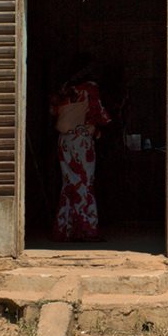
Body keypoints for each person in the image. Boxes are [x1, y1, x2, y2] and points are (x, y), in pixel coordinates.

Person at [49, 59, 111, 242]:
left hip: (64, 140)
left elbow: (53, 112)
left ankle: (65, 228)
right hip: (81, 139)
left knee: (68, 184)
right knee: (84, 183)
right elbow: (100, 114)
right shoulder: (90, 88)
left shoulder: (62, 90)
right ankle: (86, 229)